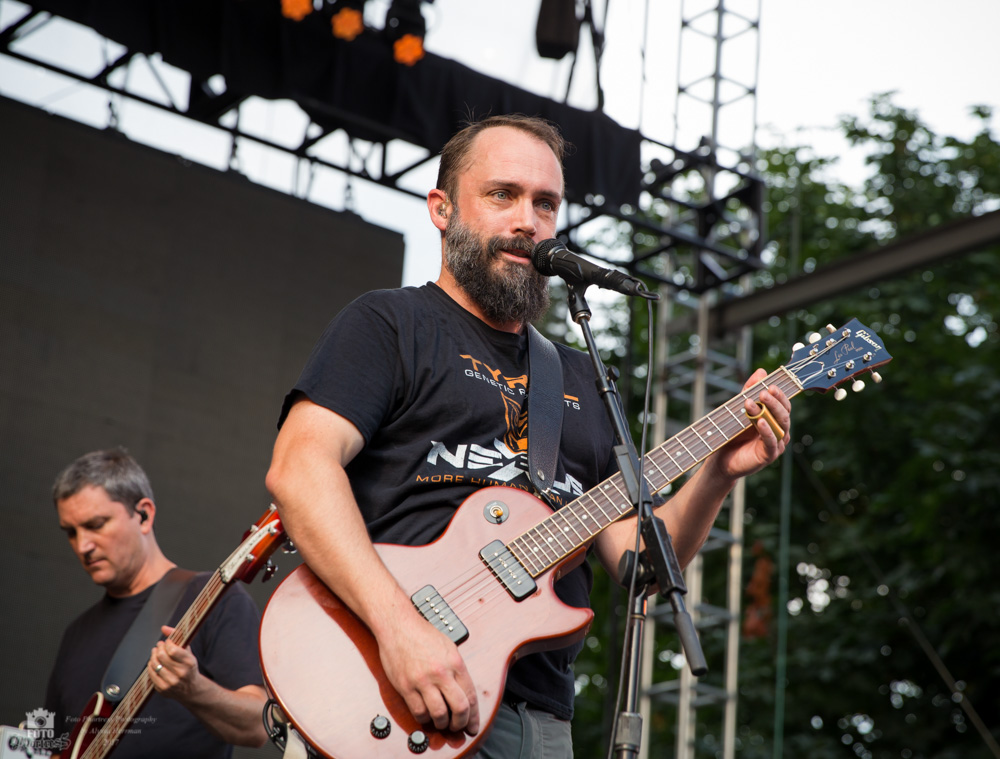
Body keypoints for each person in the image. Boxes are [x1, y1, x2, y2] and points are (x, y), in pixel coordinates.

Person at [265, 114, 791, 757]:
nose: (528, 220)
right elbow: (300, 470)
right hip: (382, 683)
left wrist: (717, 473)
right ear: (442, 208)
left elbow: (640, 569)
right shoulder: (389, 323)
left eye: (546, 203)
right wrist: (400, 631)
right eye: (502, 195)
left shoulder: (580, 375)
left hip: (537, 723)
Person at [45, 448, 269, 758]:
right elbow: (55, 748)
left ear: (144, 515)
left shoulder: (215, 599)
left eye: (96, 525)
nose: (83, 546)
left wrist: (194, 689)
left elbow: (259, 726)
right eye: (71, 532)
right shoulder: (76, 634)